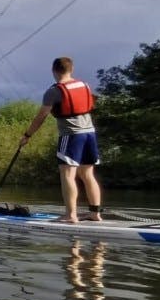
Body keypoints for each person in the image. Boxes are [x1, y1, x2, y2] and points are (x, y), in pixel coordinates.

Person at [20, 56, 102, 223]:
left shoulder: (54, 91)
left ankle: (70, 216)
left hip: (71, 135)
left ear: (54, 71)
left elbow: (41, 116)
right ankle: (95, 213)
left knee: (67, 174)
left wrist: (27, 135)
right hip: (90, 133)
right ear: (71, 69)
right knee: (88, 174)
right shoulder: (84, 85)